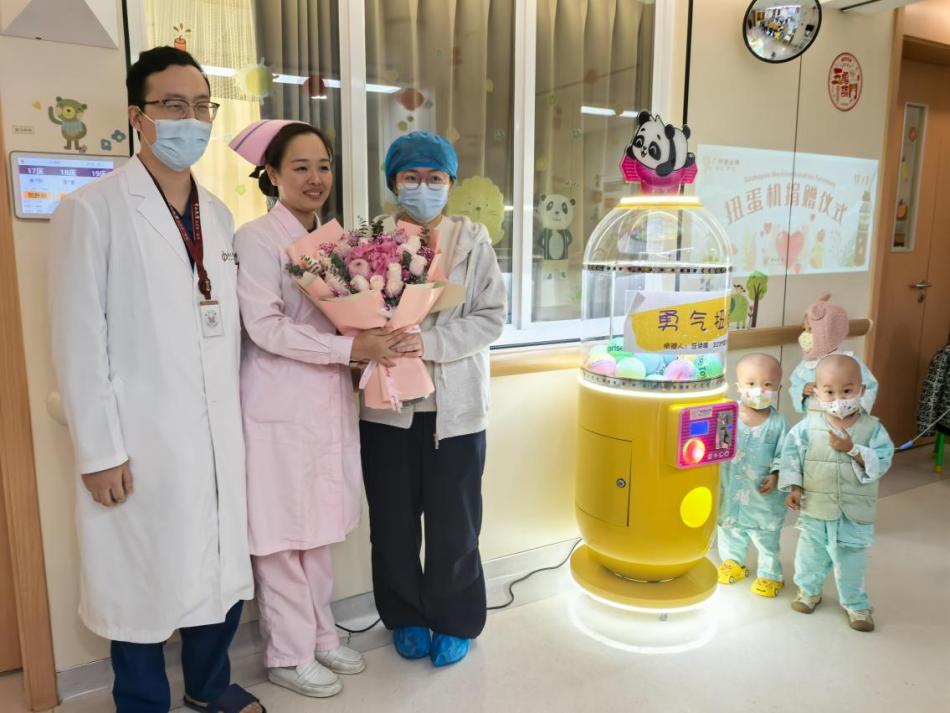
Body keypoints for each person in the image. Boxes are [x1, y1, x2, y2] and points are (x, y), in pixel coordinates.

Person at [49, 47, 263, 713]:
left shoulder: (219, 215)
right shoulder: (92, 209)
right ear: (137, 116)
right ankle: (143, 702)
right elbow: (77, 340)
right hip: (138, 437)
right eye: (173, 105)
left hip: (215, 432)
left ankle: (208, 685)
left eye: (201, 106)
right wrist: (98, 451)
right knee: (137, 577)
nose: (190, 119)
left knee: (217, 565)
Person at [230, 120, 407, 697]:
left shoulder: (334, 245)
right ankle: (288, 652)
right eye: (301, 167)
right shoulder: (256, 239)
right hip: (276, 402)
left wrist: (371, 337)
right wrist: (349, 349)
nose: (315, 178)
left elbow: (346, 317)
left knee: (320, 528)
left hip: (327, 400)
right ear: (272, 174)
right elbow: (264, 327)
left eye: (323, 166)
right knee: (282, 536)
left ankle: (323, 636)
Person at [359, 131, 506, 666]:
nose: (423, 187)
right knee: (393, 523)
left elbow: (491, 318)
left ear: (451, 182)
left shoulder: (472, 240)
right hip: (388, 409)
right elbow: (347, 313)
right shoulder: (368, 242)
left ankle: (455, 620)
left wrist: (430, 342)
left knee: (455, 524)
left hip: (455, 411)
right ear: (393, 182)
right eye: (411, 177)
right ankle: (405, 617)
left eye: (435, 177)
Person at [780, 355, 895, 632]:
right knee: (810, 554)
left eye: (847, 391)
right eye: (829, 391)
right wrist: (794, 486)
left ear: (861, 390)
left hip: (854, 512)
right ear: (816, 392)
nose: (838, 399)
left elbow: (882, 460)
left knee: (851, 560)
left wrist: (853, 449)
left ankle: (856, 605)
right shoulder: (807, 427)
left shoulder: (873, 428)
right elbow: (791, 456)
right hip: (816, 505)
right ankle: (808, 592)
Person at [717, 353, 789, 598]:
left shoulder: (779, 424)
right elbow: (717, 447)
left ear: (778, 388)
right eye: (751, 383)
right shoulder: (728, 416)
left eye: (767, 384)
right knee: (730, 528)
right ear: (738, 386)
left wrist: (777, 475)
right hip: (731, 490)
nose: (759, 390)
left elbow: (785, 454)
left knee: (765, 536)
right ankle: (733, 562)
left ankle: (770, 574)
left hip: (762, 496)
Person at [790, 294, 878, 414]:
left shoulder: (850, 363)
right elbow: (795, 384)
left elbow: (869, 386)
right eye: (804, 330)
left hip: (846, 420)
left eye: (810, 330)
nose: (805, 335)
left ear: (829, 333)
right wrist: (803, 390)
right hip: (814, 421)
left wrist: (856, 408)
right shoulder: (806, 366)